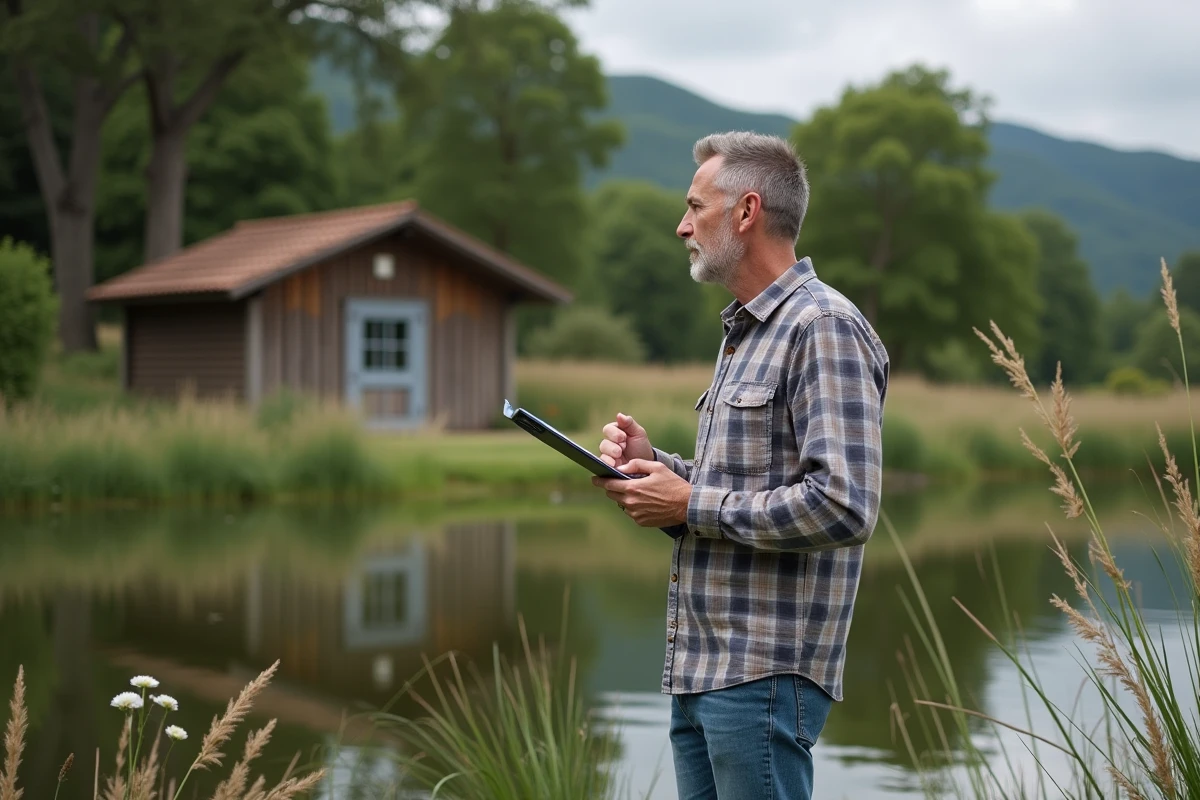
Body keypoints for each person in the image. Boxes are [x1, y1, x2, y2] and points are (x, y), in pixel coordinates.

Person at [592, 131, 890, 800]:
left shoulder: (823, 326)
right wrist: (656, 467)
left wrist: (688, 504)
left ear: (746, 212)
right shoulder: (747, 333)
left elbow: (845, 504)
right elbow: (744, 483)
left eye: (695, 206)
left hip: (763, 675)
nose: (681, 225)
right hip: (701, 669)